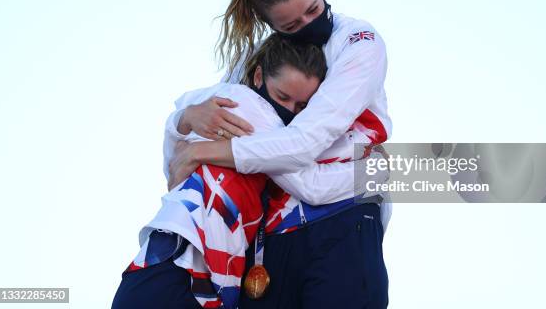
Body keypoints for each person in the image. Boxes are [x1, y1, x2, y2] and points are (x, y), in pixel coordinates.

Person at [167, 0, 392, 308]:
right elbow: (214, 113)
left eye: (313, 11)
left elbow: (302, 144)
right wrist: (185, 119)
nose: (306, 25)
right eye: (289, 25)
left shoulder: (358, 43)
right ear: (268, 23)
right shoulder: (258, 58)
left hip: (342, 218)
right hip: (270, 238)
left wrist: (208, 151)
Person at [112, 35, 383, 309]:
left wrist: (183, 127)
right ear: (257, 78)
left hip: (186, 263)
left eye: (302, 107)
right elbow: (308, 184)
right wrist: (383, 173)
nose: (288, 112)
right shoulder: (251, 111)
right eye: (283, 97)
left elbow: (174, 161)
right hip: (181, 270)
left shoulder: (215, 101)